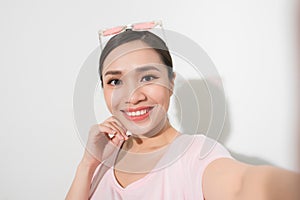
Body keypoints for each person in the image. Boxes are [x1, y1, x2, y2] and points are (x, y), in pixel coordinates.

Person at [66, 24, 300, 200]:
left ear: (171, 82)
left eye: (148, 77)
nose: (133, 97)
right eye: (115, 81)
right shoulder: (104, 157)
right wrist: (88, 164)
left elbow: (242, 185)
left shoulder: (197, 154)